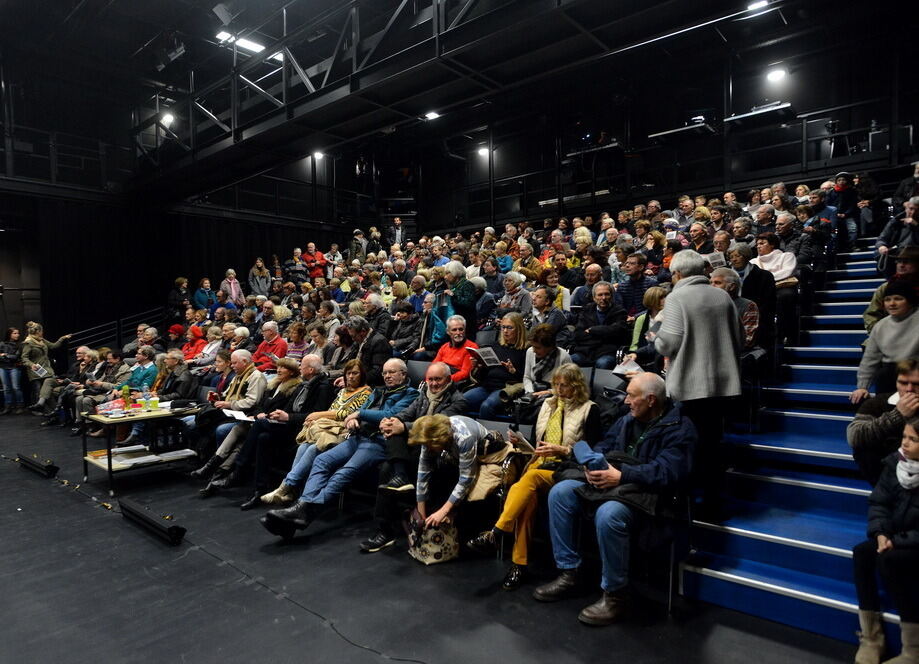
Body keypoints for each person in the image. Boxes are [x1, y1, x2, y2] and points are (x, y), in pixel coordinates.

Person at [532, 373, 695, 624]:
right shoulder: (626, 419)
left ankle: (615, 594)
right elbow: (603, 445)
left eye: (631, 395)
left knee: (609, 513)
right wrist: (590, 464)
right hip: (614, 484)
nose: (626, 400)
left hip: (650, 495)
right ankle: (569, 573)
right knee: (560, 493)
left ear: (651, 400)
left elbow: (667, 472)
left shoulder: (680, 428)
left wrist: (622, 475)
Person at [467, 363, 601, 589]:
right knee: (526, 501)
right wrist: (523, 443)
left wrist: (564, 450)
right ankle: (518, 565)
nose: (559, 389)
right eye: (556, 384)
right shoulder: (548, 405)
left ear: (577, 386)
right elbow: (539, 441)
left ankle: (496, 533)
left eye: (564, 385)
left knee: (527, 481)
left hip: (567, 469)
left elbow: (594, 450)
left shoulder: (589, 409)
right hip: (539, 463)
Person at [260, 358, 418, 539]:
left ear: (403, 374)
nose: (387, 376)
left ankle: (303, 510)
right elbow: (360, 410)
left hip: (378, 442)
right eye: (385, 373)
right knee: (321, 460)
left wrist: (359, 414)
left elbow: (389, 415)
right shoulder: (378, 391)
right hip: (358, 436)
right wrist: (352, 419)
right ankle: (301, 511)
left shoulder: (410, 394)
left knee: (343, 472)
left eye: (392, 372)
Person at [654, 250, 741, 508]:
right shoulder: (722, 295)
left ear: (678, 274)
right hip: (724, 384)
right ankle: (714, 500)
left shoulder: (676, 298)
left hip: (692, 386)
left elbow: (668, 343)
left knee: (692, 446)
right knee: (714, 443)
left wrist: (655, 337)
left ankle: (691, 502)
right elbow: (739, 338)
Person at [360, 362, 469, 551]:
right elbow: (406, 413)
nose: (433, 384)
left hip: (437, 450)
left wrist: (405, 427)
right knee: (392, 439)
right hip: (415, 446)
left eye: (437, 379)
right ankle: (385, 527)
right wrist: (392, 421)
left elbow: (435, 424)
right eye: (430, 379)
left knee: (389, 466)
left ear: (448, 380)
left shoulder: (458, 401)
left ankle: (399, 480)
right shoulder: (423, 395)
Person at [257, 359, 371, 508]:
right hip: (327, 429)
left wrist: (319, 415)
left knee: (312, 448)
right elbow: (333, 409)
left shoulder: (367, 392)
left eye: (355, 373)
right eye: (348, 373)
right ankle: (291, 490)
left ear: (362, 374)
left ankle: (286, 486)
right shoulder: (342, 391)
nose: (350, 377)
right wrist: (318, 418)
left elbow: (347, 413)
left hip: (344, 432)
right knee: (303, 447)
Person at [852, 416, 919, 664]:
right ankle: (871, 637)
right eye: (905, 437)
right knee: (862, 553)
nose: (906, 443)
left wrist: (896, 541)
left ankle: (913, 650)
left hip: (912, 542)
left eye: (913, 439)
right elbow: (879, 503)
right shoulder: (895, 464)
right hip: (893, 536)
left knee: (890, 561)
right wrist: (881, 533)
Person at [848, 359, 919, 486]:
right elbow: (854, 436)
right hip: (886, 477)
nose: (909, 389)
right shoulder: (878, 403)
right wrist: (897, 415)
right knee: (865, 447)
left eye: (916, 384)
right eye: (903, 383)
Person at [851, 283, 919, 402]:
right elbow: (870, 359)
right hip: (889, 376)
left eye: (898, 299)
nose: (892, 303)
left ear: (910, 301)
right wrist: (862, 387)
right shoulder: (881, 326)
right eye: (887, 300)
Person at [463, 313, 528, 417]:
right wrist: (479, 366)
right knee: (461, 401)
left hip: (505, 388)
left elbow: (528, 379)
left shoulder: (525, 350)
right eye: (503, 327)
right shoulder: (495, 346)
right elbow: (485, 375)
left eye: (510, 328)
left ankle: (487, 433)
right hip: (487, 386)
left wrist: (513, 371)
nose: (505, 331)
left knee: (487, 406)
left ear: (519, 329)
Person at [751, 232, 799, 346]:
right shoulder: (753, 261)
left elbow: (787, 272)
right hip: (762, 290)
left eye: (762, 243)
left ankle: (784, 335)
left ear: (772, 244)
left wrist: (766, 278)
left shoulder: (786, 256)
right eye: (757, 244)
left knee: (785, 296)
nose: (758, 246)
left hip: (781, 288)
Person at [570, 281, 629, 369]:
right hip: (586, 351)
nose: (604, 298)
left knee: (603, 363)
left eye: (607, 294)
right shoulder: (587, 310)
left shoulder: (619, 311)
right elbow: (578, 334)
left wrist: (592, 330)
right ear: (594, 298)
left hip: (607, 352)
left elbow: (617, 331)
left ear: (612, 296)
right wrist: (604, 333)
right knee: (570, 360)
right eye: (600, 295)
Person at [21, 322, 72, 413]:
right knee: (38, 391)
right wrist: (31, 364)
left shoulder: (42, 340)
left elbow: (53, 346)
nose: (42, 333)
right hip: (36, 370)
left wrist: (62, 338)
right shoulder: (28, 342)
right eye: (42, 331)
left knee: (48, 391)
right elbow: (24, 358)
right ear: (38, 331)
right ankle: (39, 410)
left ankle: (52, 412)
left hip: (46, 369)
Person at [710, 267, 760, 350]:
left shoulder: (748, 306)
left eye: (717, 283)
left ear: (732, 286)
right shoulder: (706, 304)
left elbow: (747, 340)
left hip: (735, 355)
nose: (712, 286)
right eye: (710, 282)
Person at [339, 315, 391, 388]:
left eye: (353, 336)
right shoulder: (358, 341)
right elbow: (351, 363)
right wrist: (346, 378)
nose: (352, 339)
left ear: (363, 331)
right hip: (358, 379)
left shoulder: (379, 342)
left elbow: (377, 372)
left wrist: (354, 381)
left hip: (371, 384)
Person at [431, 315, 478, 383]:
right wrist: (429, 380)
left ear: (465, 330)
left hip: (455, 382)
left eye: (461, 329)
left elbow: (465, 373)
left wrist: (443, 381)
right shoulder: (444, 347)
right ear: (448, 332)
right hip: (440, 379)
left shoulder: (471, 347)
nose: (458, 333)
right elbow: (433, 366)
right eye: (454, 330)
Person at [444, 260, 478, 333]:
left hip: (466, 327)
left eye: (448, 273)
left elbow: (468, 304)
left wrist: (453, 295)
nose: (445, 277)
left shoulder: (467, 285)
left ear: (455, 273)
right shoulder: (453, 286)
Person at [0, 327, 24, 414]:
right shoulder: (2, 344)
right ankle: (8, 407)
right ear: (9, 334)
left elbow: (16, 357)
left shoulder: (20, 345)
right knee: (6, 388)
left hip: (14, 368)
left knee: (16, 387)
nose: (17, 335)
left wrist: (5, 355)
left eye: (18, 333)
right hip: (3, 367)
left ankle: (20, 406)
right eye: (15, 333)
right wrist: (8, 356)